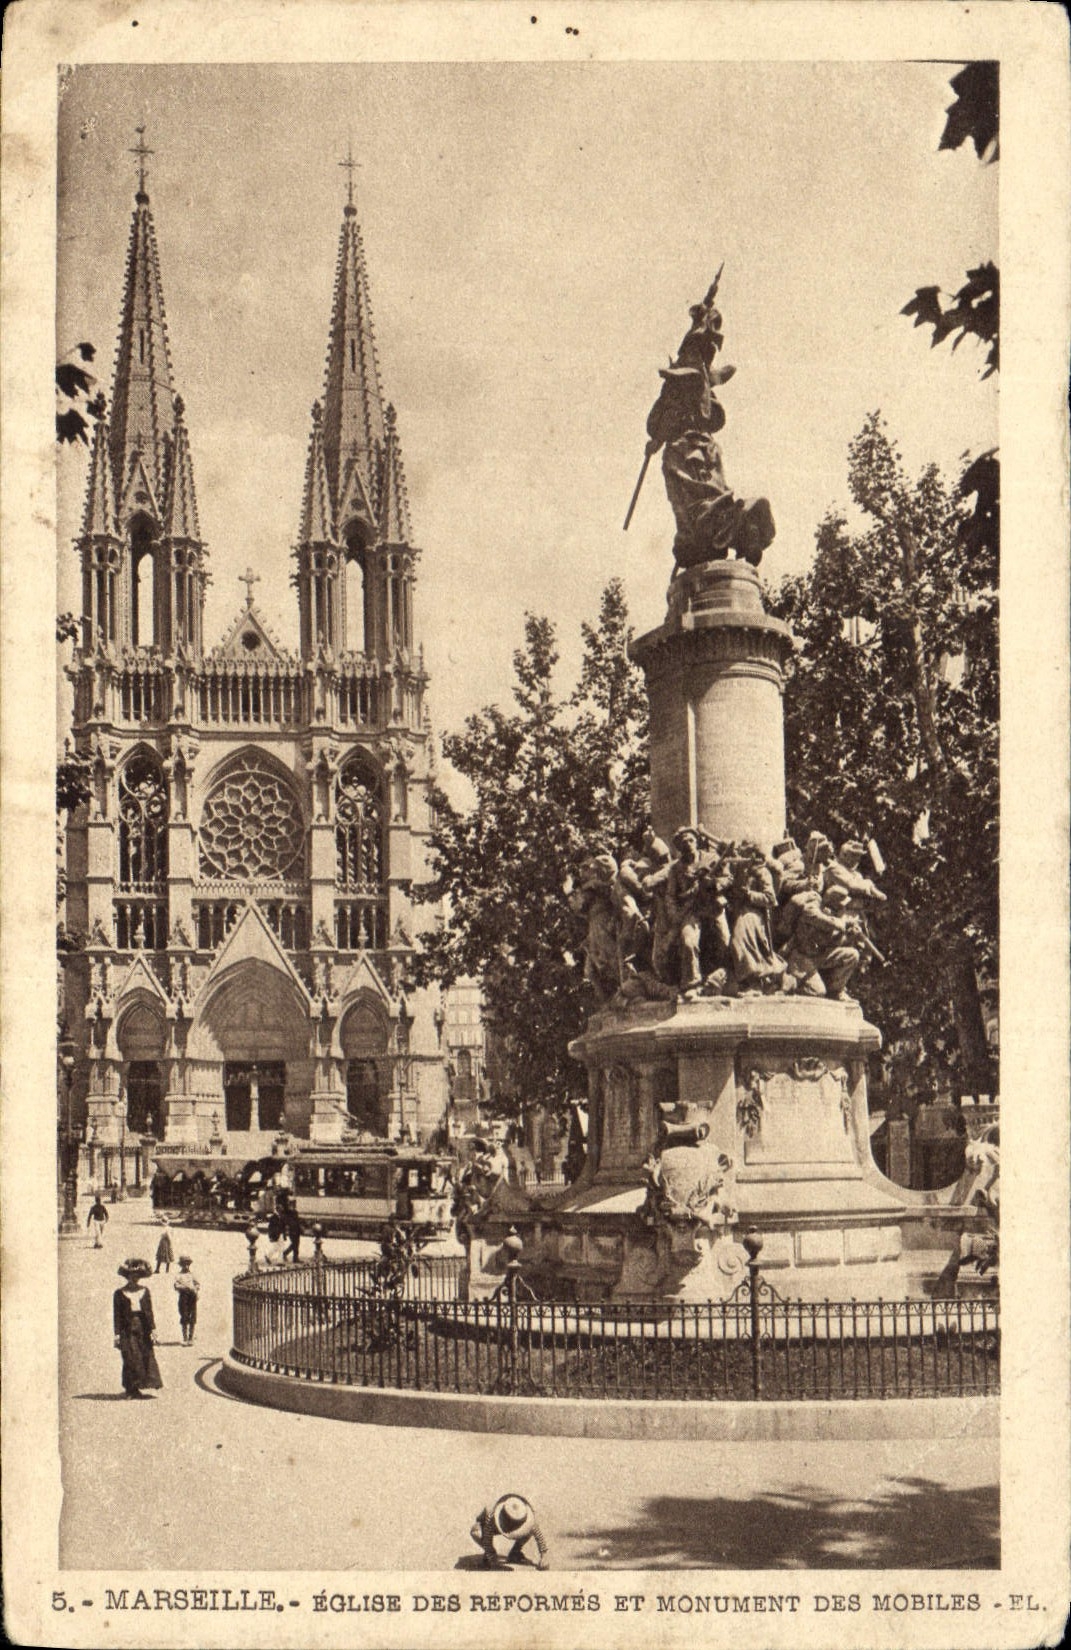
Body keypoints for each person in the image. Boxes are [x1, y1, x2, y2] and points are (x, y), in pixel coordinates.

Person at [113, 1259, 163, 1398]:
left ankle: (140, 1386)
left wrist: (153, 1330)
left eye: (137, 1276)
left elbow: (149, 1312)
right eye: (131, 1276)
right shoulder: (119, 1293)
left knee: (144, 1356)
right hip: (127, 1330)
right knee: (130, 1357)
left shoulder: (144, 1291)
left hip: (143, 1328)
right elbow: (117, 1315)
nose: (134, 1279)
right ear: (127, 1277)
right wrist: (117, 1334)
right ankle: (131, 1389)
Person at [470, 1495, 549, 1571]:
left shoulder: (526, 1516)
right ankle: (490, 1554)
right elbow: (487, 1539)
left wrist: (544, 1556)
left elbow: (539, 1536)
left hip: (511, 1524)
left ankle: (515, 1553)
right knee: (476, 1532)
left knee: (529, 1530)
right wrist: (492, 1558)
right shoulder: (491, 1515)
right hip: (491, 1526)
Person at [173, 1255, 200, 1345]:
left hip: (192, 1296)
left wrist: (195, 1289)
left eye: (187, 1264)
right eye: (184, 1264)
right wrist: (185, 1287)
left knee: (193, 1316)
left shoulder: (192, 1275)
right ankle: (185, 1338)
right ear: (181, 1265)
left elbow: (197, 1284)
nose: (186, 1266)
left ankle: (191, 1338)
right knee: (184, 1316)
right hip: (183, 1296)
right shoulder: (179, 1275)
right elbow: (176, 1286)